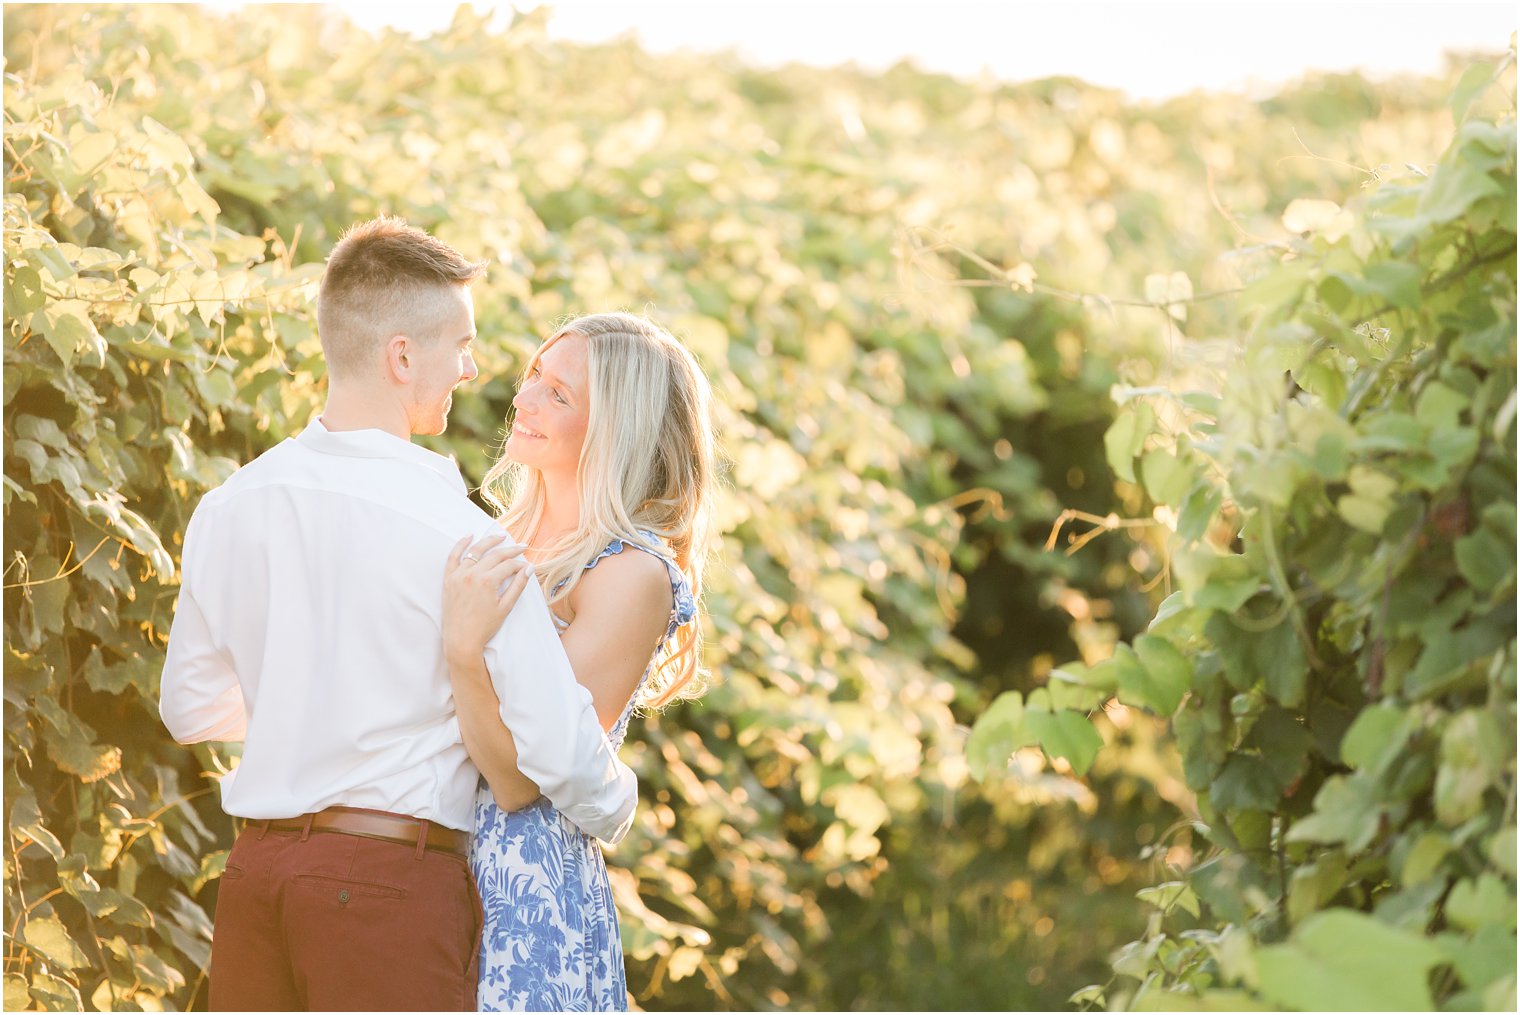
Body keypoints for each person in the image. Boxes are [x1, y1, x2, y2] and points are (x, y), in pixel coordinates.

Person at [158, 217, 639, 1012]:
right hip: (385, 892)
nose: (472, 367)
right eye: (461, 344)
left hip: (253, 881)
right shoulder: (464, 536)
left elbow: (187, 708)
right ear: (403, 355)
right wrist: (617, 800)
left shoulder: (229, 505)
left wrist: (308, 691)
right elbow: (575, 766)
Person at [441, 312, 715, 1012]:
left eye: (558, 394)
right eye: (535, 375)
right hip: (431, 858)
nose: (524, 400)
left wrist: (466, 656)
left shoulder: (631, 574)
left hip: (521, 888)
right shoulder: (492, 537)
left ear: (614, 430)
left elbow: (523, 778)